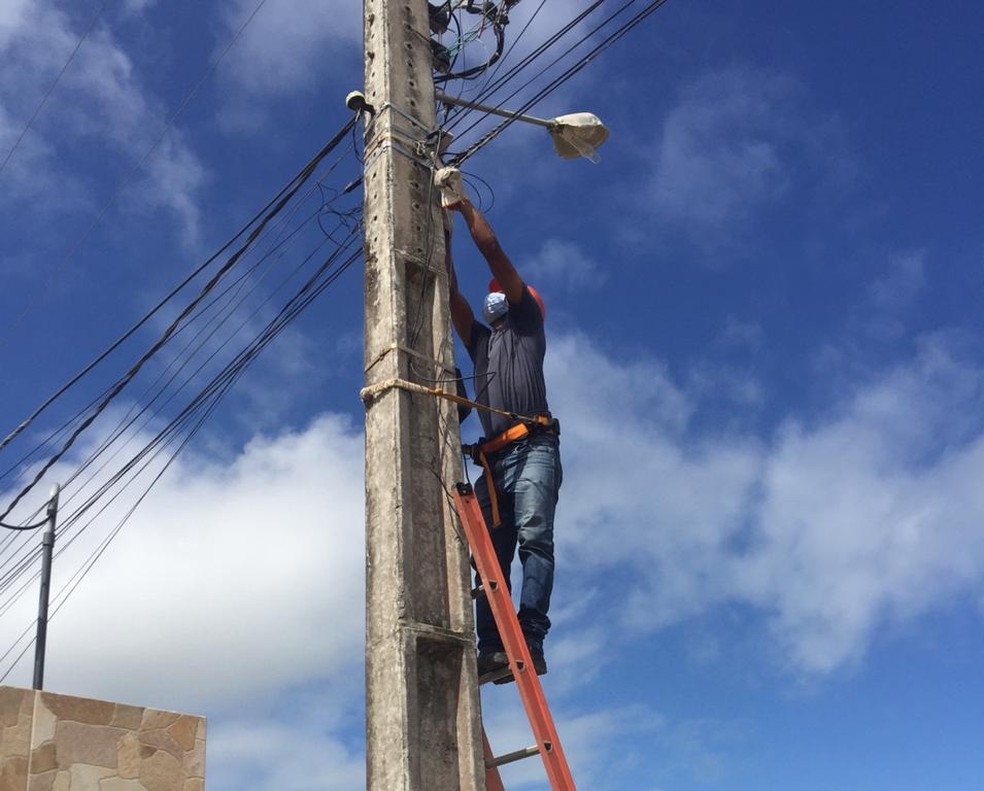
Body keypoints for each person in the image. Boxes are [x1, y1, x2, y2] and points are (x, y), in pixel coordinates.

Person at [438, 168, 562, 680]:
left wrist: (464, 207)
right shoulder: (482, 343)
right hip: (493, 460)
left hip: (533, 447)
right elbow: (449, 293)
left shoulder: (529, 328)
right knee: (492, 556)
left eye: (503, 294)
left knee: (534, 536)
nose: (495, 297)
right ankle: (494, 645)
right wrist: (441, 234)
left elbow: (494, 254)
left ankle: (530, 635)